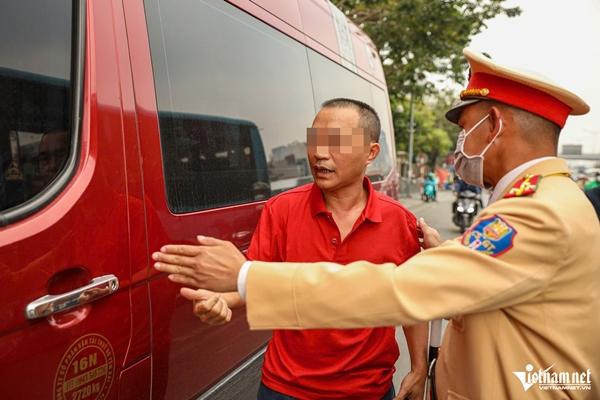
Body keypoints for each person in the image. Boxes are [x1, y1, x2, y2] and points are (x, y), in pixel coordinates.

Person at [153, 48, 600, 399]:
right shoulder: (544, 200)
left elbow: (406, 291)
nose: (460, 143)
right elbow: (471, 280)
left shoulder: (537, 210)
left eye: (465, 128)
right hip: (286, 386)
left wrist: (245, 275)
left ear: (495, 125)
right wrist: (229, 293)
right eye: (316, 140)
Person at [168, 99, 430, 400]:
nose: (319, 153)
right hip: (285, 388)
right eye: (315, 140)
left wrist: (419, 366)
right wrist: (219, 300)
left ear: (371, 153)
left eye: (337, 143)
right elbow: (253, 282)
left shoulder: (399, 221)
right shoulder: (282, 210)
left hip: (370, 390)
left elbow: (413, 301)